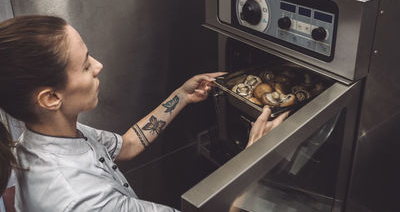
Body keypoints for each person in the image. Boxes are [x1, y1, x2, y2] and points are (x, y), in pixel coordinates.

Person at [0, 15, 289, 212]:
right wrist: (255, 161)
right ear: (51, 98)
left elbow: (127, 145)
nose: (98, 66)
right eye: (86, 66)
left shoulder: (46, 135)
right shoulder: (81, 200)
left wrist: (182, 96)